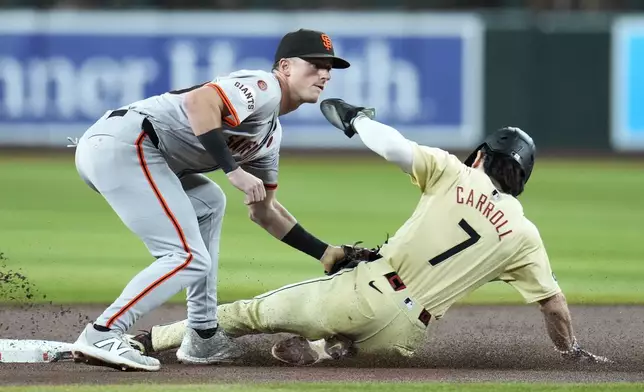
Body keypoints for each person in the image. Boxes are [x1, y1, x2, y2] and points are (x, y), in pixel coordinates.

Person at [126, 99, 611, 367]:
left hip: (367, 290)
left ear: (482, 156)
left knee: (248, 314)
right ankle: (322, 350)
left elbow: (395, 148)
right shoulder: (525, 234)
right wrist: (570, 352)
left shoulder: (454, 172)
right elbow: (554, 305)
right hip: (406, 332)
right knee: (350, 345)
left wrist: (357, 120)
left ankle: (148, 340)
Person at [68, 29, 352, 372]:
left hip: (134, 152)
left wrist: (325, 253)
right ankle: (103, 332)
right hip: (127, 142)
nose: (324, 73)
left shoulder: (269, 137)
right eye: (315, 64)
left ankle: (202, 336)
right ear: (286, 66)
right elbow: (200, 101)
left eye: (329, 67)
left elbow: (265, 212)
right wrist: (233, 170)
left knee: (209, 201)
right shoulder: (265, 86)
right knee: (187, 256)